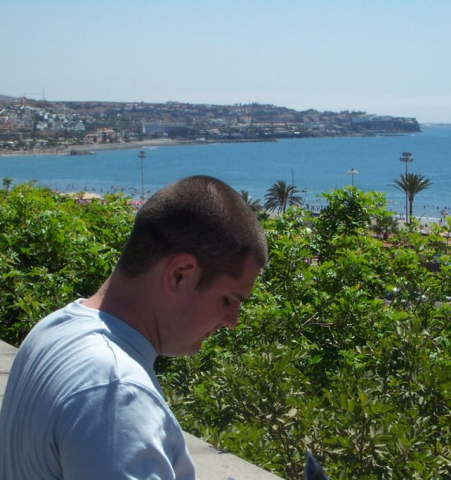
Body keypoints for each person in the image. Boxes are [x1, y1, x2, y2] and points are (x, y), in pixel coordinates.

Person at [0, 175, 268, 479]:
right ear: (180, 274)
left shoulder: (52, 330)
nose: (232, 321)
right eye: (228, 299)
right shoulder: (115, 390)